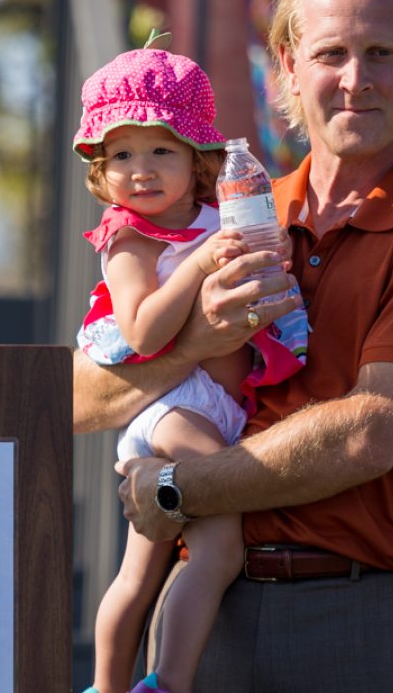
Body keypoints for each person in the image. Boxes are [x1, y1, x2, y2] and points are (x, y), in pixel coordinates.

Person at [76, 0, 393, 691]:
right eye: (331, 52)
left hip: (377, 618)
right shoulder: (229, 214)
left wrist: (180, 486)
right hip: (210, 617)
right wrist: (194, 343)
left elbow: (367, 434)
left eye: (382, 53)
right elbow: (80, 398)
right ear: (287, 62)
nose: (355, 79)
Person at [72, 47, 307, 693]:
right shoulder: (130, 239)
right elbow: (143, 331)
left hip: (215, 408)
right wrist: (201, 266)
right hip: (175, 407)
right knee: (220, 547)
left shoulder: (218, 215)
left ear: (198, 158)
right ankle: (159, 683)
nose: (141, 170)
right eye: (121, 155)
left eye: (160, 151)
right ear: (101, 170)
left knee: (142, 570)